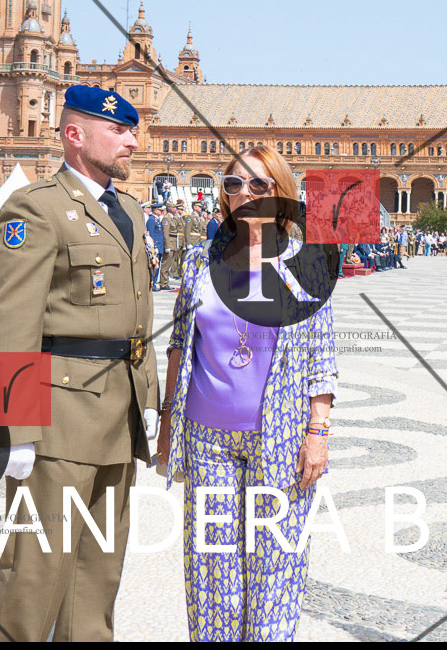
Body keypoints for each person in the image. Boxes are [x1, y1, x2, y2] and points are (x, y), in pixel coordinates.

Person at [0, 86, 158, 642]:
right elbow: (9, 321)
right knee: (34, 573)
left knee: (98, 573)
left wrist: (149, 399)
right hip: (57, 420)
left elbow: (139, 316)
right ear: (75, 135)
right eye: (118, 131)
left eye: (132, 130)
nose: (133, 141)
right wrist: (15, 427)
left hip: (119, 415)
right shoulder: (36, 207)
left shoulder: (130, 211)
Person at [156, 145, 337, 641]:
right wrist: (167, 423)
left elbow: (321, 358)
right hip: (206, 437)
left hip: (279, 436)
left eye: (258, 184)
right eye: (234, 184)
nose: (244, 193)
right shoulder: (199, 260)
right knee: (211, 568)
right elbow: (179, 344)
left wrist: (318, 433)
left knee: (275, 564)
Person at [160, 200, 182, 290]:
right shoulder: (166, 219)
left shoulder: (172, 218)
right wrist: (167, 246)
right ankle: (163, 283)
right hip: (169, 244)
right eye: (174, 208)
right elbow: (166, 233)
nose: (176, 209)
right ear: (171, 209)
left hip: (173, 244)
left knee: (169, 265)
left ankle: (166, 282)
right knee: (165, 265)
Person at [145, 202, 166, 291]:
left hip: (159, 246)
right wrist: (154, 246)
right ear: (155, 210)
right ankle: (152, 283)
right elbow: (151, 234)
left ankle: (154, 282)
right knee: (154, 266)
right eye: (159, 210)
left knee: (157, 266)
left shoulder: (157, 220)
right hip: (155, 247)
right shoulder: (151, 220)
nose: (161, 212)